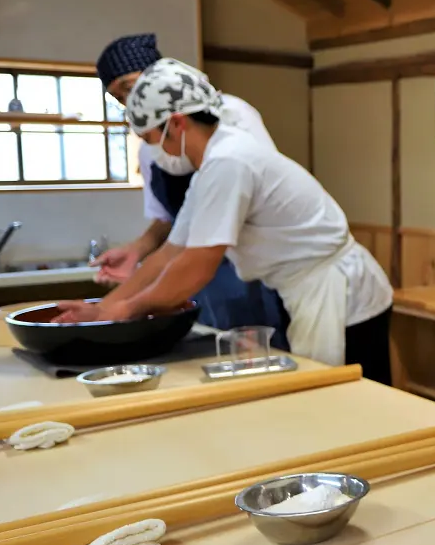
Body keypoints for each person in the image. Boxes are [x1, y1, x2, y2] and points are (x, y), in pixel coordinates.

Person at [56, 58, 395, 385]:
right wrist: (104, 310)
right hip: (309, 290)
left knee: (361, 408)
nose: (153, 152)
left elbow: (196, 267)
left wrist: (128, 309)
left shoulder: (229, 161)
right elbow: (170, 253)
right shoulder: (210, 167)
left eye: (150, 139)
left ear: (176, 123)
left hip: (345, 296)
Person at [94, 34, 288, 349]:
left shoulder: (229, 142)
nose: (129, 102)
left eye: (130, 87)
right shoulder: (162, 150)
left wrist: (126, 308)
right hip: (189, 273)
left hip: (241, 270)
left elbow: (226, 230)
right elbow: (172, 235)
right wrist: (135, 255)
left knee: (251, 357)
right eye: (118, 98)